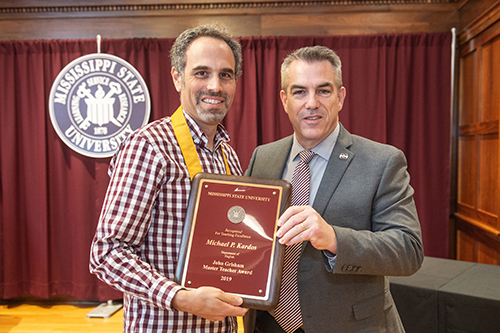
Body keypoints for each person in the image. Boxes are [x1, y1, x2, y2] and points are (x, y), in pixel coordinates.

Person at [243, 46, 424, 332]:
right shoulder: (263, 158)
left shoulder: (382, 161)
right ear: (284, 99)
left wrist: (333, 237)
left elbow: (408, 250)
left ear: (340, 97)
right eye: (300, 91)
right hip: (268, 324)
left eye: (323, 91)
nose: (311, 103)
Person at [89, 24, 248, 332]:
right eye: (201, 73)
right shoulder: (148, 145)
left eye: (225, 75)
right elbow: (107, 252)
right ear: (178, 78)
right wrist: (182, 297)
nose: (215, 85)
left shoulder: (228, 155)